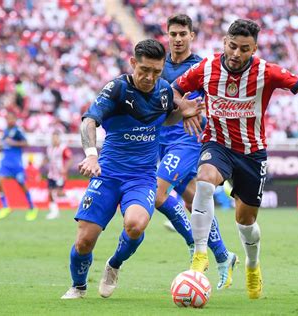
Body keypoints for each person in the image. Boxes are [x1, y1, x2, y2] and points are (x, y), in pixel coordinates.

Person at [173, 19, 298, 299]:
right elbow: (172, 90)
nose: (236, 54)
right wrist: (185, 106)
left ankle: (252, 264)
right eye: (232, 46)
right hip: (217, 144)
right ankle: (199, 255)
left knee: (246, 223)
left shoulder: (266, 72)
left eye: (244, 49)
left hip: (252, 153)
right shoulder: (205, 68)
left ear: (254, 49)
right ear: (224, 42)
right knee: (205, 183)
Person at [61, 39, 202, 299]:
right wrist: (91, 156)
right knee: (84, 241)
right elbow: (89, 121)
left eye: (156, 72)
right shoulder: (116, 89)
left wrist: (184, 113)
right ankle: (78, 286)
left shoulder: (164, 92)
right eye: (144, 70)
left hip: (142, 178)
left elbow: (167, 115)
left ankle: (114, 264)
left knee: (135, 225)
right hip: (108, 174)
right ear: (133, 63)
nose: (150, 77)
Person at [156, 14, 238, 291]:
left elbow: (215, 101)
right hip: (159, 139)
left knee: (157, 193)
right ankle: (224, 256)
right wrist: (180, 107)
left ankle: (195, 244)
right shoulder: (159, 65)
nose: (178, 39)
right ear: (167, 35)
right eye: (173, 34)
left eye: (183, 34)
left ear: (192, 36)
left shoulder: (202, 67)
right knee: (192, 201)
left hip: (188, 140)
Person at [0, 112, 39, 221]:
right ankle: (5, 207)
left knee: (21, 184)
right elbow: (6, 145)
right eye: (8, 118)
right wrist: (0, 148)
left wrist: (13, 143)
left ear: (15, 120)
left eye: (11, 118)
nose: (9, 120)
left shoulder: (18, 131)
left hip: (16, 164)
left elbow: (26, 143)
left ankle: (32, 208)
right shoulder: (5, 131)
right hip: (5, 163)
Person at [42, 130, 73, 219]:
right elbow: (48, 158)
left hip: (60, 175)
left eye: (56, 138)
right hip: (51, 174)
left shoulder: (63, 148)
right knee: (50, 192)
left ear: (59, 138)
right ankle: (54, 212)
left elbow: (70, 159)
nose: (54, 140)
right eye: (53, 138)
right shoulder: (49, 148)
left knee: (59, 193)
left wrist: (65, 169)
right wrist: (43, 163)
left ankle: (73, 195)